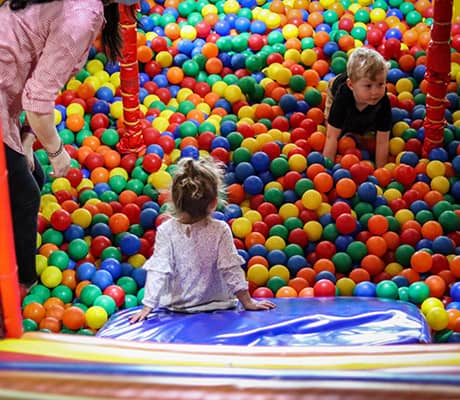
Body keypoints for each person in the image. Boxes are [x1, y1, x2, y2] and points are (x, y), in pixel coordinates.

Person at [0, 0, 136, 295]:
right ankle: (23, 285)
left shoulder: (89, 10)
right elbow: (38, 100)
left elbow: (34, 74)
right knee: (24, 196)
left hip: (7, 93)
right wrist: (56, 151)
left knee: (32, 178)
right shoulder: (82, 15)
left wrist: (26, 136)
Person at [130, 158, 276, 323]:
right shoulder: (219, 229)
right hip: (218, 303)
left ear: (173, 199)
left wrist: (147, 306)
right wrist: (247, 302)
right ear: (213, 203)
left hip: (178, 306)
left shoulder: (166, 230)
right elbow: (230, 269)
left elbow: (159, 269)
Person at [322, 47, 392, 168]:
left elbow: (382, 141)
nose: (375, 92)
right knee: (331, 124)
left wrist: (380, 172)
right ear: (351, 85)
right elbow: (331, 136)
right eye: (368, 86)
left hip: (359, 95)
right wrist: (326, 169)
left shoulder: (383, 101)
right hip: (336, 87)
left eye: (380, 84)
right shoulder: (342, 96)